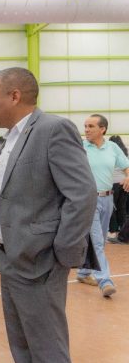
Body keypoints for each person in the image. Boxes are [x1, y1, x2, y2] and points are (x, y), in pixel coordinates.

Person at [0, 67, 95, 363]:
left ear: (14, 96)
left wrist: (61, 252)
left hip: (39, 260)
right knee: (22, 344)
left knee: (49, 352)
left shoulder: (53, 130)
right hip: (11, 257)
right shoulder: (13, 137)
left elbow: (80, 196)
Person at [74, 114, 129, 298]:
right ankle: (104, 280)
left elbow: (126, 166)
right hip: (87, 199)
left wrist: (128, 175)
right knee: (97, 240)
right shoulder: (80, 147)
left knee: (99, 240)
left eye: (91, 126)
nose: (86, 129)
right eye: (85, 126)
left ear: (102, 129)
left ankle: (83, 272)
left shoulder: (112, 147)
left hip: (107, 199)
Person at [108, 135, 129, 235]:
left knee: (111, 208)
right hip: (124, 183)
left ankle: (113, 230)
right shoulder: (125, 153)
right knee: (122, 207)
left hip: (113, 184)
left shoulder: (110, 153)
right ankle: (123, 230)